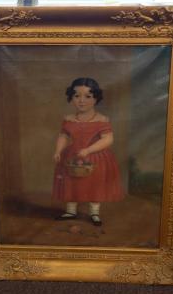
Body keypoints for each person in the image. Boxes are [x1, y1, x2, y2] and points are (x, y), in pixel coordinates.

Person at [52, 77, 124, 226]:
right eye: (77, 96)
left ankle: (94, 213)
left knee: (94, 184)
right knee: (72, 183)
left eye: (88, 96)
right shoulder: (69, 119)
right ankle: (71, 211)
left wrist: (89, 149)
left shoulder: (102, 119)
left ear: (96, 98)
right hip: (73, 156)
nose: (81, 101)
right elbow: (63, 136)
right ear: (71, 98)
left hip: (96, 157)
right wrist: (58, 150)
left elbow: (108, 139)